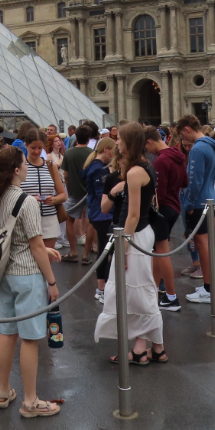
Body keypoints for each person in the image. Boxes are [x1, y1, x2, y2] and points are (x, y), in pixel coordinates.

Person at [0, 147, 62, 416]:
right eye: (25, 163)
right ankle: (31, 401)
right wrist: (51, 281)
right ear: (16, 170)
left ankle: (3, 391)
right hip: (27, 274)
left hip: (4, 272)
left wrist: (42, 249)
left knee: (8, 333)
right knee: (30, 338)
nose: (28, 166)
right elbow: (36, 245)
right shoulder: (26, 201)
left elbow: (8, 236)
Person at [94, 123, 166, 364]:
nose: (116, 142)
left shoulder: (136, 171)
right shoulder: (145, 166)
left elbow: (132, 214)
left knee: (138, 293)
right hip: (137, 233)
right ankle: (154, 347)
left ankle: (142, 349)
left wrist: (123, 248)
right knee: (141, 290)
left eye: (120, 139)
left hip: (132, 234)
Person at [176, 115, 215, 302]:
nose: (183, 139)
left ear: (187, 129)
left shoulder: (197, 149)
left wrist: (188, 204)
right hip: (210, 196)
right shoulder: (213, 147)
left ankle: (208, 288)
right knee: (211, 244)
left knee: (202, 244)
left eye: (182, 134)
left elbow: (194, 181)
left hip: (198, 202)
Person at [145, 126, 187, 311]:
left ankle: (171, 296)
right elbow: (185, 182)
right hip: (175, 205)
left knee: (161, 252)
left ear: (150, 142)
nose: (147, 152)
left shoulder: (161, 160)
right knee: (157, 251)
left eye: (146, 147)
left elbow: (158, 193)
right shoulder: (177, 155)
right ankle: (154, 291)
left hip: (163, 208)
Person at [21, 129, 67, 251]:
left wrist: (54, 199)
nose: (36, 151)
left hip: (49, 219)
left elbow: (63, 195)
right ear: (26, 146)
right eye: (33, 148)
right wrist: (30, 199)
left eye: (39, 148)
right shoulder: (19, 166)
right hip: (26, 219)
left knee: (47, 260)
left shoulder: (50, 166)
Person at [83, 137, 116, 303]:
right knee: (106, 250)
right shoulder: (98, 170)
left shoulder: (95, 167)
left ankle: (102, 287)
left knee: (106, 249)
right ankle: (102, 287)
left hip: (99, 213)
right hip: (102, 214)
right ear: (107, 149)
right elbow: (100, 193)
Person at [60, 125, 93, 262]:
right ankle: (87, 253)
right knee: (91, 221)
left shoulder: (69, 153)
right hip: (90, 192)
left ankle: (73, 252)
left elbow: (66, 175)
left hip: (75, 192)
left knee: (69, 220)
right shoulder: (92, 153)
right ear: (89, 138)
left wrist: (69, 189)